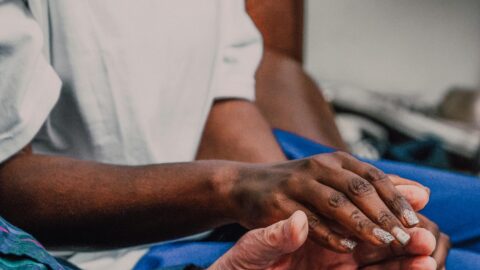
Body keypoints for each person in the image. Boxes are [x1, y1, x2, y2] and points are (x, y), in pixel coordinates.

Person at [0, 0, 449, 269]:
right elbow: (6, 179)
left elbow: (224, 98)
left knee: (433, 236)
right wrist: (232, 188)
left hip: (214, 191)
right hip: (107, 249)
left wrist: (310, 212)